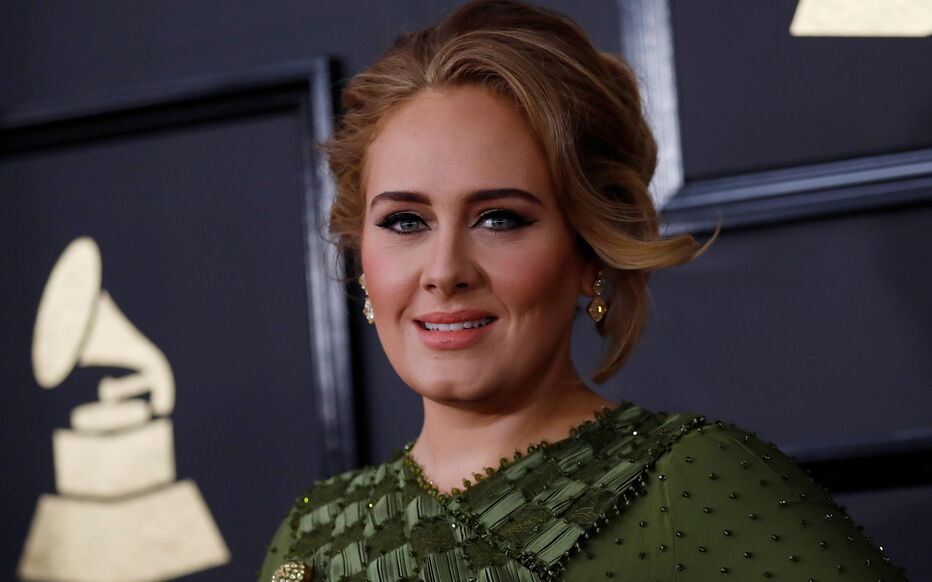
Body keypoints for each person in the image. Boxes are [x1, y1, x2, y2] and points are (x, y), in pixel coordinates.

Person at [259, 1, 905, 580]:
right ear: (362, 256)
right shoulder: (313, 535)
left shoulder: (689, 482)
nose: (444, 269)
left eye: (499, 219)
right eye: (405, 221)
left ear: (590, 251)